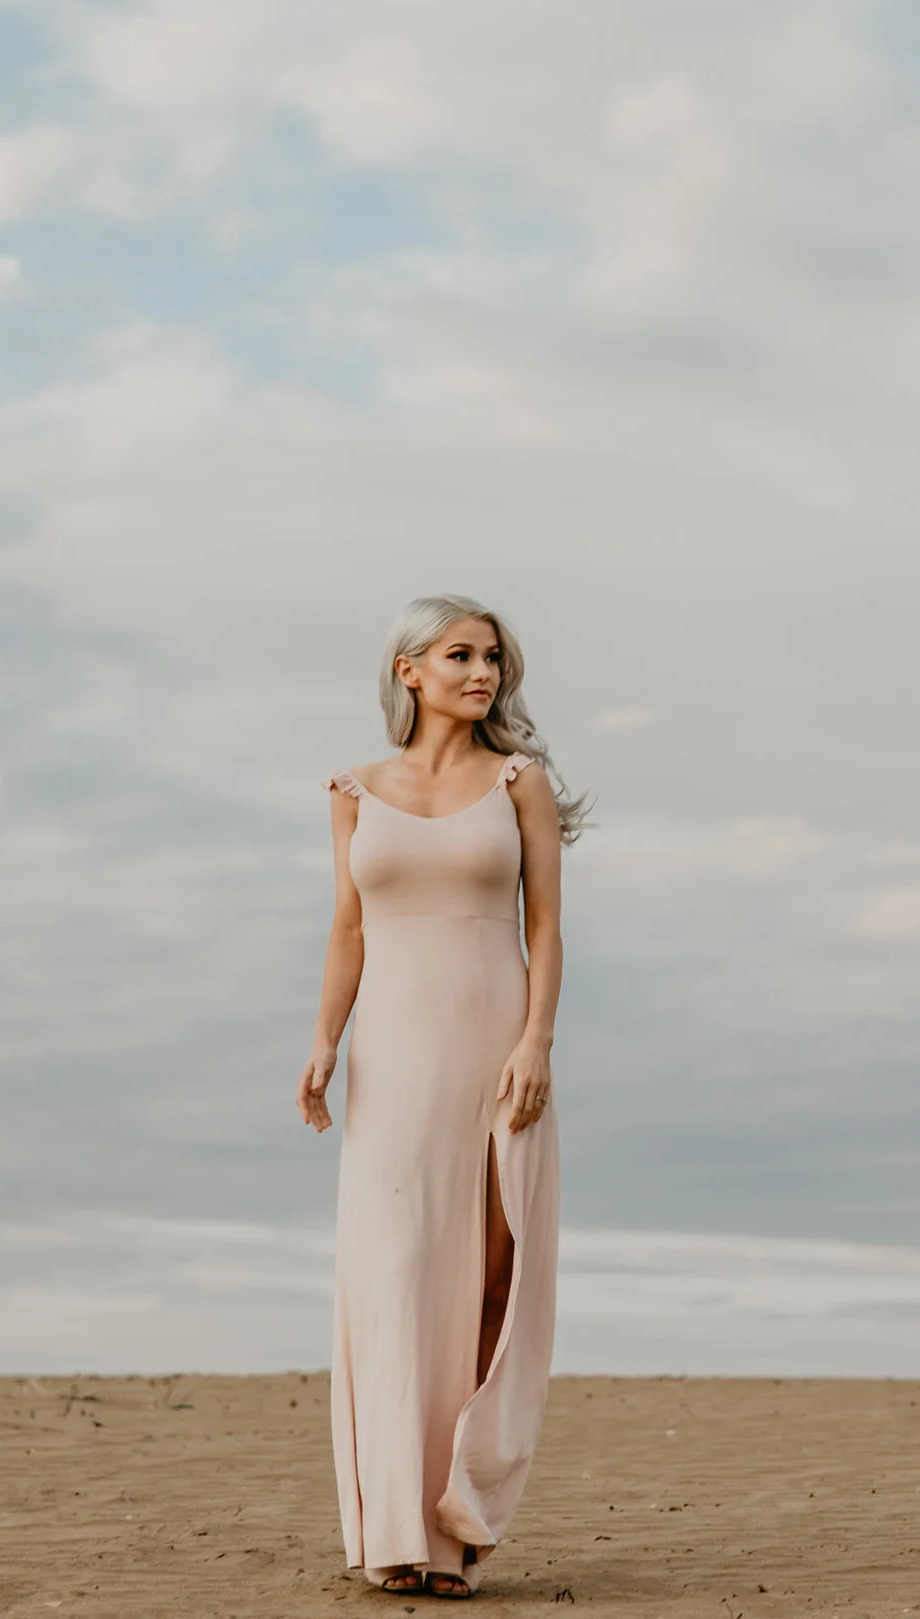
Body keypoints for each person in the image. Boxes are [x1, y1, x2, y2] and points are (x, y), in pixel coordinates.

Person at [298, 594, 590, 1598]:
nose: (483, 673)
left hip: (495, 1046)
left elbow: (545, 926)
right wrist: (323, 1042)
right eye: (461, 655)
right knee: (396, 1274)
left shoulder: (519, 783)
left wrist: (535, 1041)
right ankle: (392, 1530)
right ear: (409, 669)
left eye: (494, 659)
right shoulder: (352, 788)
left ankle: (454, 1526)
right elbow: (348, 928)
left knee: (486, 1275)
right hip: (390, 1058)